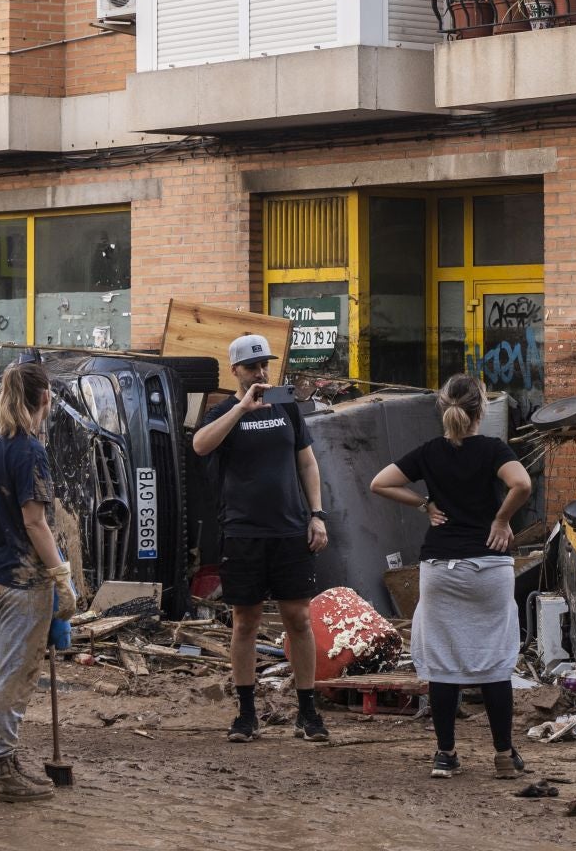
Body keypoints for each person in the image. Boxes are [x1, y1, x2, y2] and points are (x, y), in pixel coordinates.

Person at [369, 374, 532, 779]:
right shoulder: (494, 449)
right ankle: (504, 756)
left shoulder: (428, 452)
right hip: (488, 566)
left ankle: (445, 754)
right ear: (483, 409)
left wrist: (424, 504)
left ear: (444, 408)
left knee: (443, 664)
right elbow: (522, 484)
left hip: (440, 568)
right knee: (494, 662)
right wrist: (500, 519)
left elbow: (380, 483)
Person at [190, 333, 330, 744]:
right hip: (243, 532)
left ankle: (307, 712)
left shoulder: (286, 406)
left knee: (299, 619)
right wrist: (240, 408)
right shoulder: (223, 412)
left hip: (290, 529)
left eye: (265, 364)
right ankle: (246, 713)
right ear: (235, 370)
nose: (261, 372)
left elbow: (306, 461)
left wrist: (317, 515)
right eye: (252, 366)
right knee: (245, 622)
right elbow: (199, 446)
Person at [0, 361, 79, 803]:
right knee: (15, 678)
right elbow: (35, 522)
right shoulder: (29, 450)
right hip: (22, 580)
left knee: (2, 672)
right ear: (44, 398)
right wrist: (61, 576)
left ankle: (6, 758)